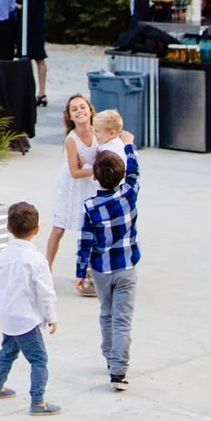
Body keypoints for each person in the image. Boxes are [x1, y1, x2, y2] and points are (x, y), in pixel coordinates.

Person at [0, 202, 61, 415]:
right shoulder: (37, 260)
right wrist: (51, 317)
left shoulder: (3, 255)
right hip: (27, 319)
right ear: (36, 230)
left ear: (9, 228)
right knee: (39, 360)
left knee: (7, 352)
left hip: (8, 316)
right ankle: (38, 402)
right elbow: (46, 292)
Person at [76, 114, 140, 389]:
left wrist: (81, 272)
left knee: (106, 313)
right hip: (126, 265)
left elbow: (85, 242)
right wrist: (128, 145)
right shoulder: (129, 193)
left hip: (101, 268)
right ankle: (118, 371)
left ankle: (108, 355)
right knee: (123, 319)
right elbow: (135, 171)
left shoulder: (91, 206)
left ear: (96, 177)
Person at [45, 95, 101, 277]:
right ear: (69, 116)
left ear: (90, 110)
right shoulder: (71, 140)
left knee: (92, 226)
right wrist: (97, 170)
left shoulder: (98, 131)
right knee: (59, 226)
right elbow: (74, 172)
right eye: (74, 109)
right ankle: (46, 266)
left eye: (82, 107)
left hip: (91, 184)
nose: (79, 111)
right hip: (70, 185)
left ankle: (91, 268)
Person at [24, 0, 51, 102]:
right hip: (38, 24)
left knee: (28, 57)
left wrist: (17, 5)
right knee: (39, 57)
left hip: (30, 25)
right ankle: (42, 91)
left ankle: (31, 90)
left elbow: (29, 6)